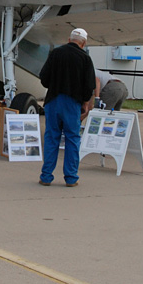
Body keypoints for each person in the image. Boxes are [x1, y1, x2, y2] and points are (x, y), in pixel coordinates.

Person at [38, 27, 95, 187]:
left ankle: (46, 176)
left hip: (53, 99)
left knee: (51, 137)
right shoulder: (85, 58)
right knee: (72, 138)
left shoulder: (56, 53)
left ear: (69, 40)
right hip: (72, 102)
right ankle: (71, 177)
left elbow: (44, 78)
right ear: (83, 43)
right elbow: (89, 85)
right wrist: (85, 103)